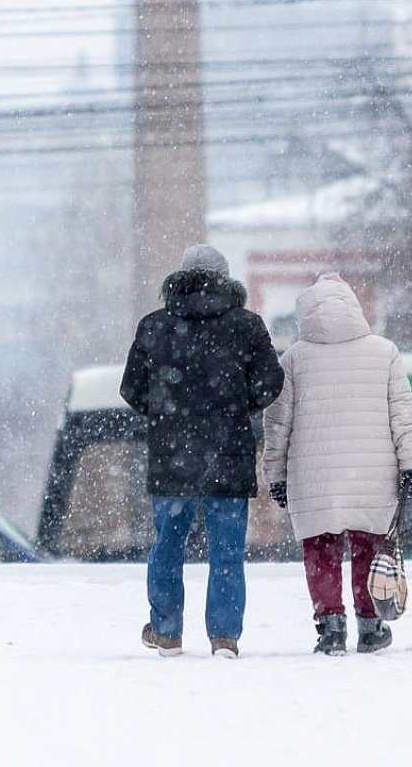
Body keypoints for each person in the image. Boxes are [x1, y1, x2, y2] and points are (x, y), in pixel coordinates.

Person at [120, 244, 283, 658]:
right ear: (225, 280)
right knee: (226, 549)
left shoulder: (154, 326)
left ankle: (167, 630)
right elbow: (270, 384)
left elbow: (131, 389)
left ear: (179, 278)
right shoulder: (247, 326)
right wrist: (235, 407)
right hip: (228, 453)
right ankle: (224, 636)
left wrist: (166, 414)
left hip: (172, 454)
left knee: (167, 545)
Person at [263, 273, 412, 655]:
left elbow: (277, 423)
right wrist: (410, 464)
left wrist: (276, 475)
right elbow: (403, 413)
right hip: (373, 475)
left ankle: (331, 627)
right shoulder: (384, 352)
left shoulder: (293, 360)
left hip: (313, 476)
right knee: (369, 546)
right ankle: (370, 626)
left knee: (320, 550)